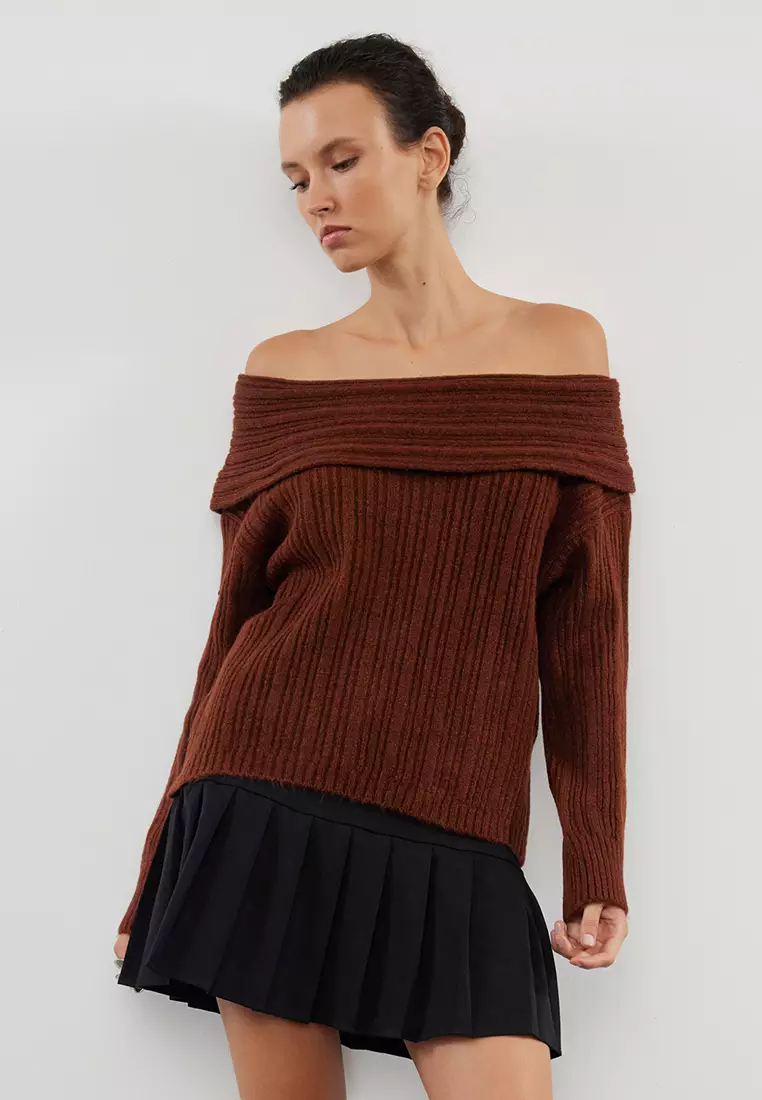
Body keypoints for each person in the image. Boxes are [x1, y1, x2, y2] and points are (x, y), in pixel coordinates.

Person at [113, 31, 634, 1100]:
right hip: (263, 799)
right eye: (297, 177)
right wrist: (162, 849)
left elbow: (587, 630)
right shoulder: (284, 373)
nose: (317, 199)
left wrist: (597, 859)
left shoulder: (563, 350)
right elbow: (232, 632)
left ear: (430, 155)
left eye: (342, 161)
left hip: (461, 822)